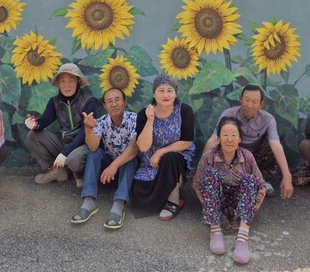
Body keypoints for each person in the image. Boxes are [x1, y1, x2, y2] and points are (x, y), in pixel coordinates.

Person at [193, 117, 266, 265]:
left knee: (251, 181)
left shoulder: (247, 157)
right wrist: (216, 214)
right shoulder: (209, 156)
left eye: (234, 135)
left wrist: (251, 210)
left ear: (240, 139)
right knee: (210, 175)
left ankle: (242, 236)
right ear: (219, 138)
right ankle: (215, 230)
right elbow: (197, 184)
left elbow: (262, 187)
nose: (229, 139)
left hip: (240, 206)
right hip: (216, 205)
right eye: (225, 135)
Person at [203, 84, 293, 199]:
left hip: (255, 156)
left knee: (272, 145)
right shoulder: (228, 114)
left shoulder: (268, 119)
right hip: (233, 155)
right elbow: (214, 139)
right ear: (240, 99)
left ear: (261, 104)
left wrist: (287, 176)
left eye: (255, 102)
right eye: (246, 100)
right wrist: (202, 171)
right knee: (222, 142)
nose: (249, 105)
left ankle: (261, 179)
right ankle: (227, 181)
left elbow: (275, 144)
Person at [70, 88, 138, 229]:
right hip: (109, 165)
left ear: (125, 102)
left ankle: (119, 204)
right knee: (94, 153)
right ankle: (89, 201)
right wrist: (88, 128)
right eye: (109, 101)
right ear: (105, 106)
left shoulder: (134, 119)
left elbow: (134, 149)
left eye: (117, 99)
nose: (114, 104)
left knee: (130, 158)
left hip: (127, 165)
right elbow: (93, 146)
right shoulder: (101, 121)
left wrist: (114, 166)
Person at [132, 74, 195, 220]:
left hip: (177, 155)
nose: (166, 95)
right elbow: (142, 147)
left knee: (170, 159)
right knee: (139, 196)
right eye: (161, 91)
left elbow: (186, 142)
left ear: (175, 93)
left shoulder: (184, 111)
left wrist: (161, 152)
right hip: (150, 160)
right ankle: (162, 198)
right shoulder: (144, 113)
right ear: (154, 93)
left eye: (170, 90)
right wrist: (150, 121)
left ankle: (173, 200)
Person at [25, 63, 96, 188]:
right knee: (32, 136)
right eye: (62, 81)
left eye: (71, 80)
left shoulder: (89, 101)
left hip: (82, 145)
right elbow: (44, 121)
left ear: (78, 81)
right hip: (63, 143)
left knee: (73, 159)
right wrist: (34, 124)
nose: (66, 85)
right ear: (58, 83)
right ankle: (55, 170)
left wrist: (65, 153)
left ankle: (79, 174)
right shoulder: (54, 101)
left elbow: (86, 131)